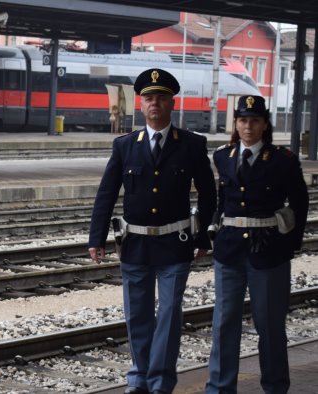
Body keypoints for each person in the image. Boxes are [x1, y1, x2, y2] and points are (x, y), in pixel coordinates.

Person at [88, 68, 217, 394]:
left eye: (161, 97)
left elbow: (208, 192)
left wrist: (203, 235)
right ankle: (140, 377)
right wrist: (96, 237)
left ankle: (160, 382)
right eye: (149, 98)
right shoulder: (125, 146)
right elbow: (106, 193)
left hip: (176, 243)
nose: (154, 103)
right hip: (135, 244)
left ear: (172, 103)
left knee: (171, 312)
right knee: (138, 315)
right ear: (140, 104)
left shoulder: (190, 145)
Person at [205, 95, 308, 394]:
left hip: (269, 251)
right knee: (224, 325)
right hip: (229, 251)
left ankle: (275, 387)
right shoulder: (222, 156)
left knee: (270, 325)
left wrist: (291, 244)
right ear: (236, 124)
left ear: (265, 125)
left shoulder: (283, 160)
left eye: (254, 120)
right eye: (243, 120)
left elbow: (300, 204)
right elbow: (222, 199)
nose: (248, 126)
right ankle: (219, 388)